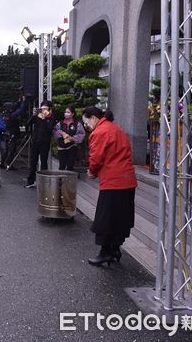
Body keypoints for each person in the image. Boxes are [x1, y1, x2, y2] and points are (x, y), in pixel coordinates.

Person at [82, 106, 138, 266]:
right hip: (127, 180)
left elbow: (96, 158)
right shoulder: (116, 129)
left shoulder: (99, 132)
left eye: (86, 124)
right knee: (121, 219)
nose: (87, 127)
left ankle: (105, 252)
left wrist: (92, 172)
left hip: (113, 182)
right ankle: (115, 249)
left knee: (106, 219)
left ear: (93, 118)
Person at [24, 100, 55, 188]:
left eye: (46, 108)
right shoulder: (37, 116)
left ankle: (43, 182)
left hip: (44, 142)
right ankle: (30, 181)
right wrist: (34, 115)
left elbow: (50, 129)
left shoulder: (51, 118)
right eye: (42, 108)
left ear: (49, 109)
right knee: (33, 161)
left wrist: (45, 119)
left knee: (43, 162)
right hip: (35, 141)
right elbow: (28, 123)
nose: (44, 110)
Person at [53, 106, 85, 171]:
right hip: (61, 147)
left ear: (72, 114)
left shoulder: (77, 124)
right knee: (62, 166)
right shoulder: (60, 123)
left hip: (72, 146)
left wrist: (72, 138)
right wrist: (61, 133)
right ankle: (61, 180)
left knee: (70, 166)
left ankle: (69, 180)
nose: (66, 113)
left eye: (68, 112)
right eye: (65, 112)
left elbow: (82, 134)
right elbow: (54, 132)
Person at [2, 95, 27, 169]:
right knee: (11, 150)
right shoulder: (12, 115)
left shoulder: (5, 114)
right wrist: (24, 101)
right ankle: (9, 164)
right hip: (12, 134)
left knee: (6, 149)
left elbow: (15, 106)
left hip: (7, 134)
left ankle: (2, 163)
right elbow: (21, 110)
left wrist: (19, 101)